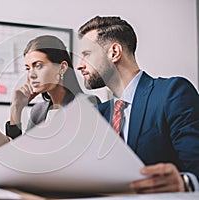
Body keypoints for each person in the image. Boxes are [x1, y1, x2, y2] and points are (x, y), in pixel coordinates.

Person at [76, 16, 199, 193]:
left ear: (114, 52)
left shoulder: (172, 93)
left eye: (86, 55)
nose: (79, 65)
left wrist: (186, 183)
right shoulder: (99, 114)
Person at [0, 35, 100, 148]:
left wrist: (0, 142)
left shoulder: (87, 104)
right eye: (28, 68)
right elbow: (22, 157)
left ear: (62, 68)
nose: (31, 75)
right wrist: (16, 109)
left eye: (38, 66)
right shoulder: (38, 111)